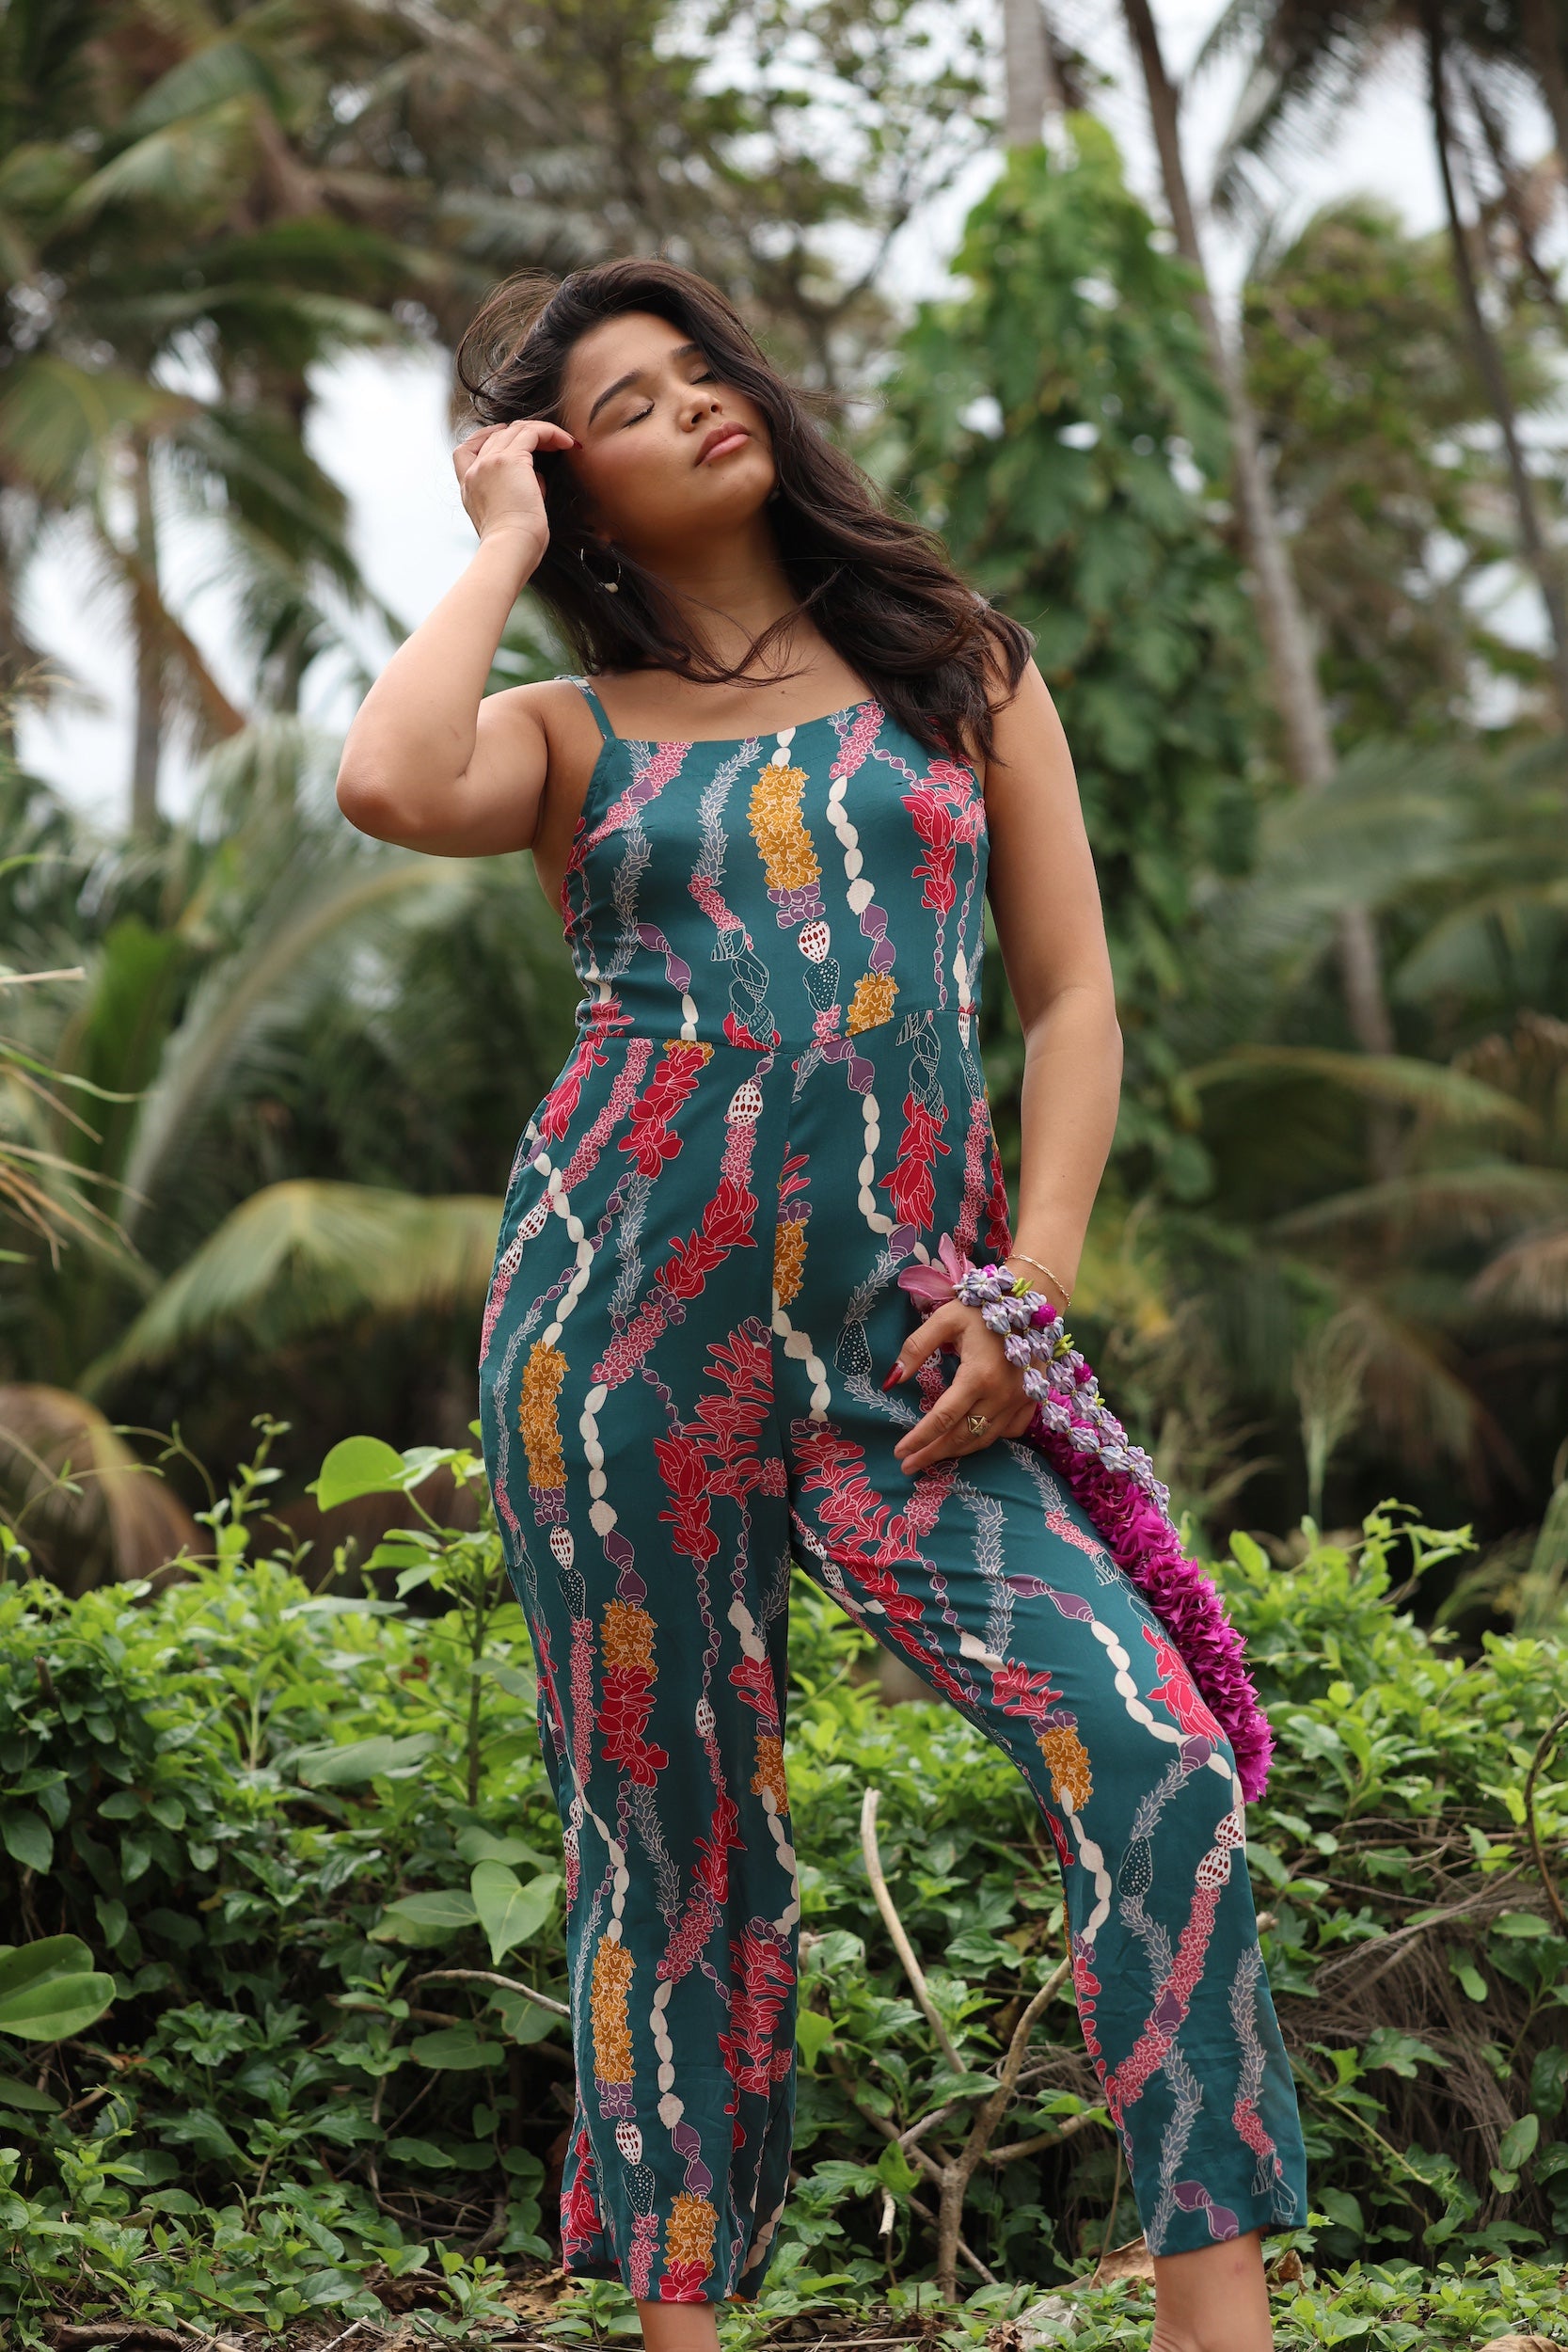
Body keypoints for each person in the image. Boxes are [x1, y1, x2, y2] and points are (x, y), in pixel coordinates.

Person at [334, 257, 1306, 2352]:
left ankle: (1219, 2326)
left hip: (908, 1345)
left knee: (1152, 1756)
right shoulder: (566, 730)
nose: (697, 405)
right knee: (667, 1827)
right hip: (618, 1333)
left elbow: (1068, 998)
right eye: (629, 400)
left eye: (707, 369)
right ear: (577, 487)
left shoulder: (956, 662)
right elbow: (394, 785)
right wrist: (501, 540)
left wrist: (1030, 1285)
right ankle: (687, 2324)